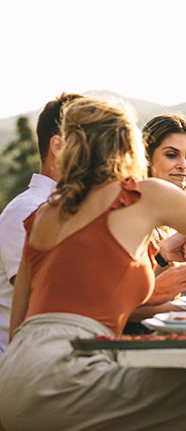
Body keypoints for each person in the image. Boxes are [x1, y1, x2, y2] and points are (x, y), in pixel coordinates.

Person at [0, 96, 186, 430]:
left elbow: (19, 326)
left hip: (13, 380)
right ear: (129, 147)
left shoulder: (43, 215)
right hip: (68, 374)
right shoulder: (140, 195)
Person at [0, 92, 82, 358]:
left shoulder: (72, 209)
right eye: (88, 144)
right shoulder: (25, 211)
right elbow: (48, 300)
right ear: (57, 146)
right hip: (28, 362)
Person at [125, 113, 186, 328]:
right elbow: (125, 306)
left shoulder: (182, 210)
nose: (183, 166)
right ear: (147, 158)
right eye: (171, 155)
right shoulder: (130, 211)